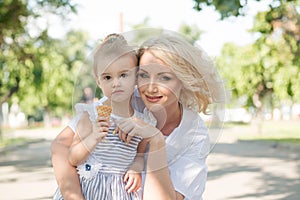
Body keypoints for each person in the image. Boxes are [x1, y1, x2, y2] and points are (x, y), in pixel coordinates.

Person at [51, 30, 226, 200]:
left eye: (164, 78)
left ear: (183, 81)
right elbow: (60, 147)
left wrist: (155, 139)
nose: (150, 87)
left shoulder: (194, 135)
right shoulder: (125, 97)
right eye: (143, 75)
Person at [52, 33, 156, 200]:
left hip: (120, 192)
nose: (116, 83)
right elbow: (72, 158)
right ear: (98, 81)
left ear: (136, 77)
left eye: (123, 75)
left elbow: (140, 154)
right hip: (89, 190)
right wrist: (93, 137)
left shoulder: (143, 121)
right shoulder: (91, 115)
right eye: (107, 77)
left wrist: (136, 167)